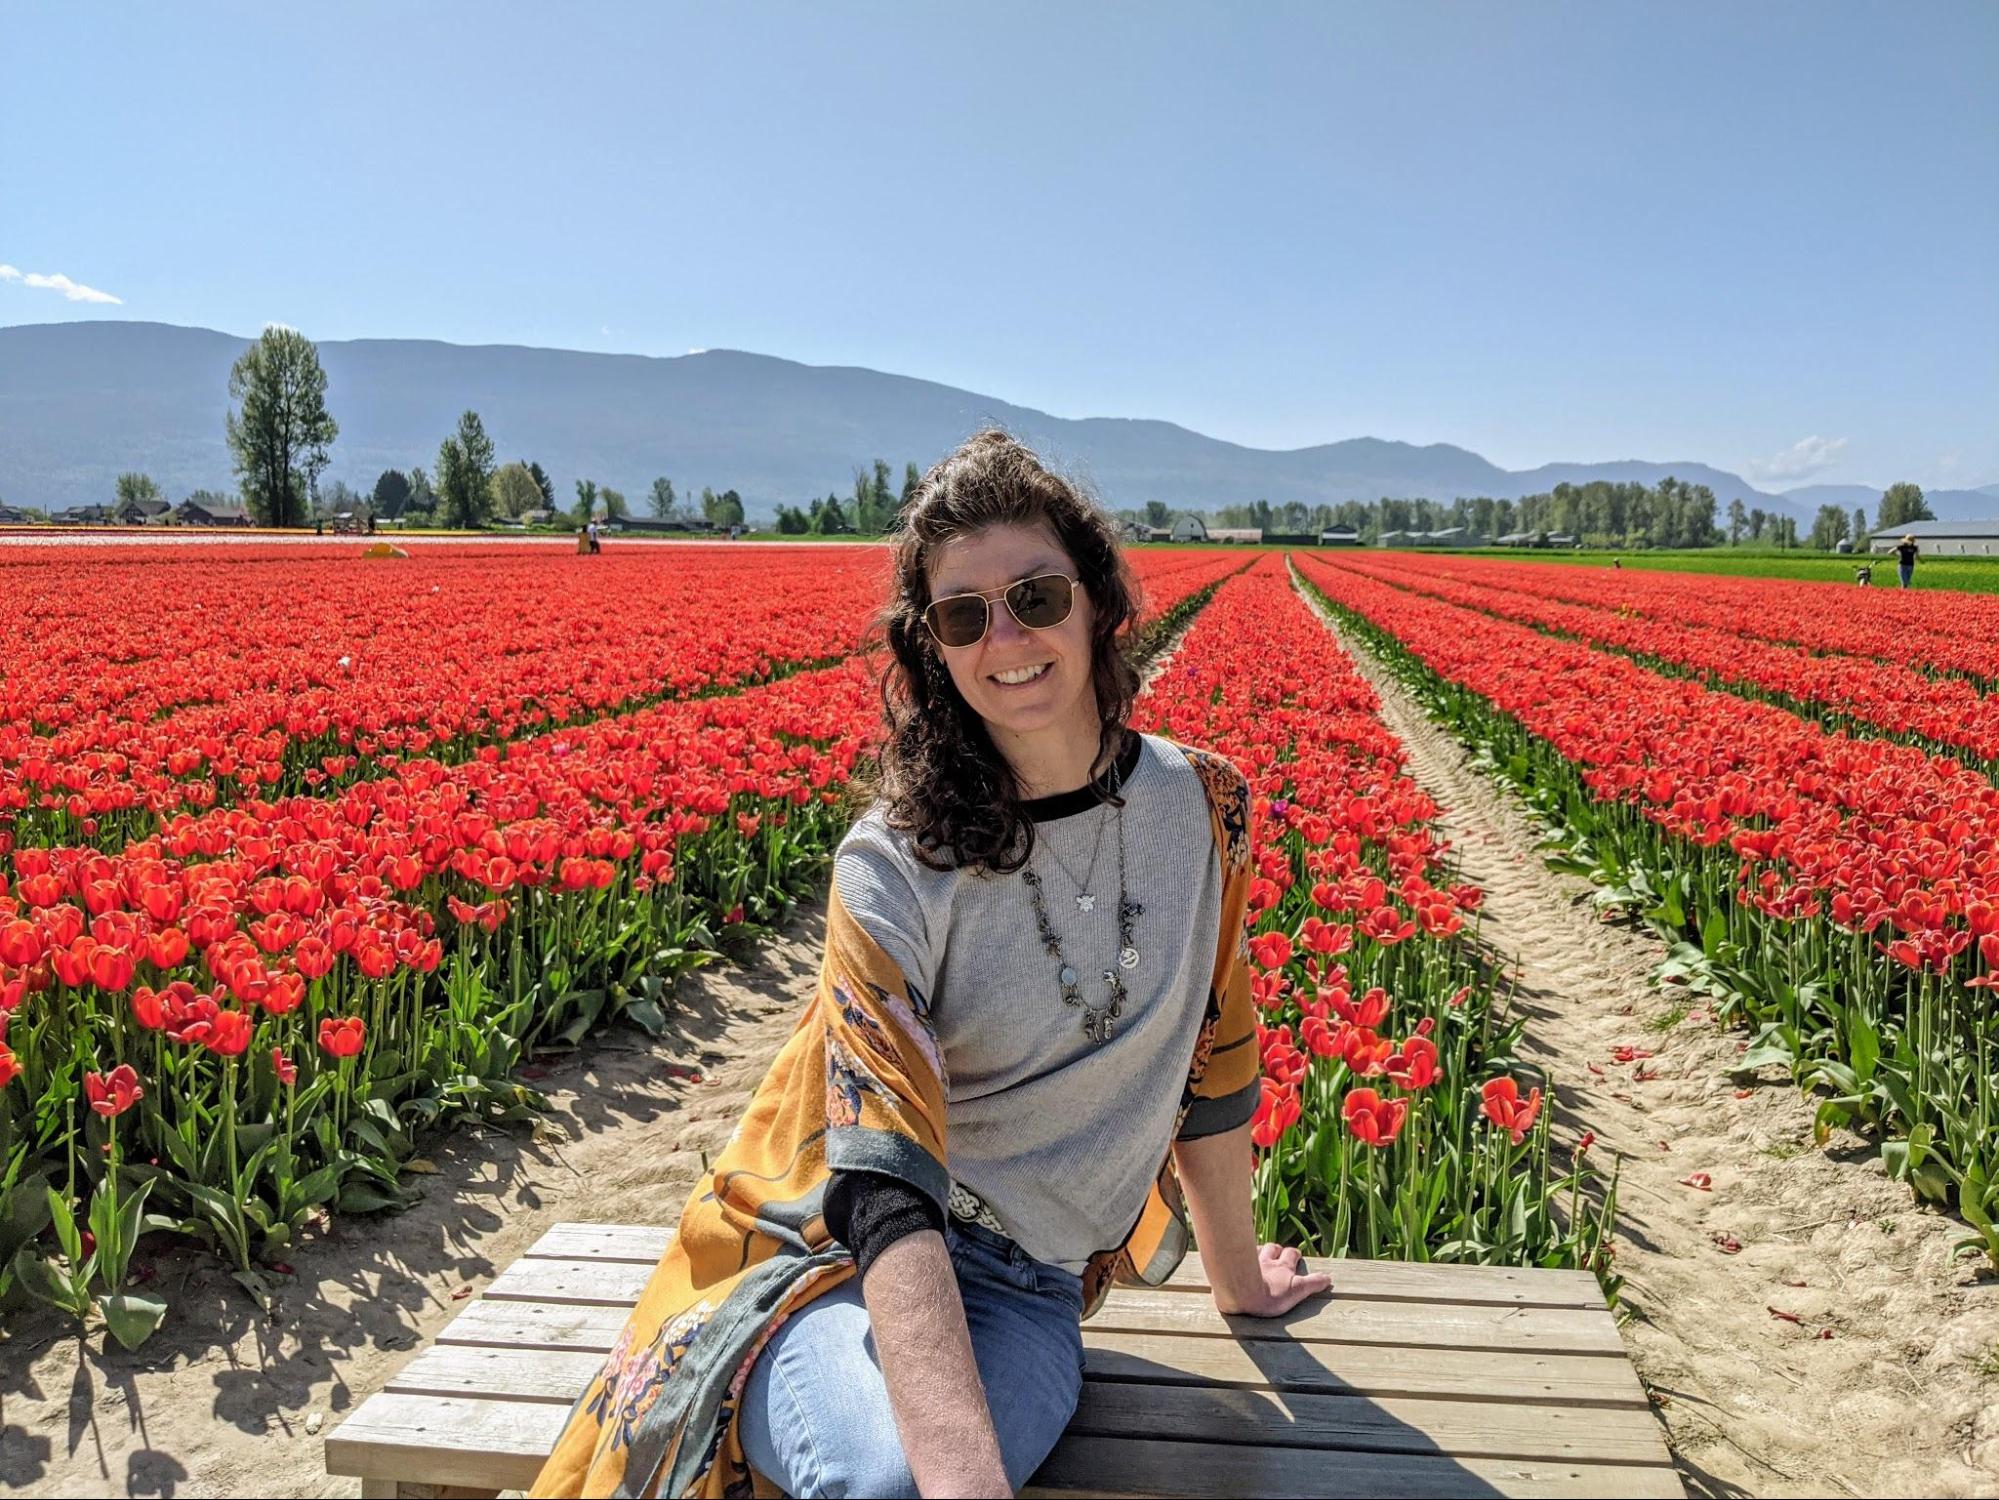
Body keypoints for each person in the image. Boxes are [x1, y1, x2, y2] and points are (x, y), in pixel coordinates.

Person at [530, 430, 1328, 1500]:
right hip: (832, 1266)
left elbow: (1214, 1055)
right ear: (935, 652)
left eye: (1037, 596)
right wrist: (962, 1480)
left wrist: (1236, 1279)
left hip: (1022, 1291)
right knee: (893, 1484)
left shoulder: (1206, 808)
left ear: (1096, 601)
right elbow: (884, 1179)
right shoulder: (895, 865)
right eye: (964, 616)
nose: (1007, 636)